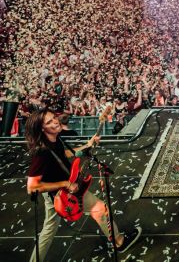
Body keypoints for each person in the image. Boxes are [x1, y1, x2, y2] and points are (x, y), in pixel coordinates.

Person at [25, 110, 140, 261]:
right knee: (99, 208)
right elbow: (32, 187)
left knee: (49, 229)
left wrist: (87, 145)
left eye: (54, 117)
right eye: (49, 122)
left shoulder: (54, 138)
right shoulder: (41, 152)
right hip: (60, 194)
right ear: (42, 128)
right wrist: (65, 183)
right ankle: (120, 241)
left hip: (65, 190)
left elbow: (63, 154)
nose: (55, 122)